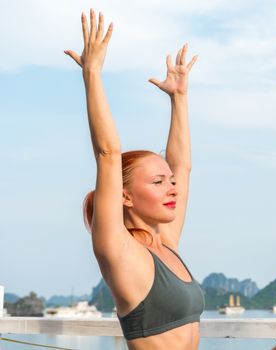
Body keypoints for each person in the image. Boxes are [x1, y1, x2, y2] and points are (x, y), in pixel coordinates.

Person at [64, 9, 202, 350]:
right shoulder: (119, 251)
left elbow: (181, 166)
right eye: (157, 182)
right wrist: (92, 73)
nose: (172, 188)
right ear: (124, 196)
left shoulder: (166, 242)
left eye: (167, 182)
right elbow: (109, 154)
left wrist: (179, 99)